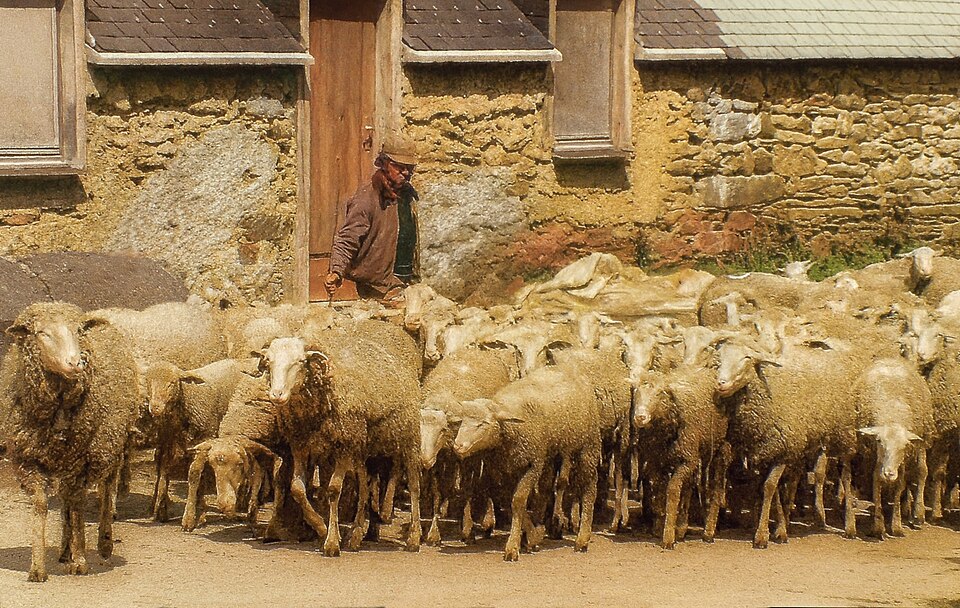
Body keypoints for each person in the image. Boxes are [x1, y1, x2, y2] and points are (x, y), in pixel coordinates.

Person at [324, 135, 420, 305]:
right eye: (399, 167)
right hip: (380, 287)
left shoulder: (407, 195)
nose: (405, 173)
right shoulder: (367, 198)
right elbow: (347, 238)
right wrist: (336, 271)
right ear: (384, 164)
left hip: (405, 282)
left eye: (409, 168)